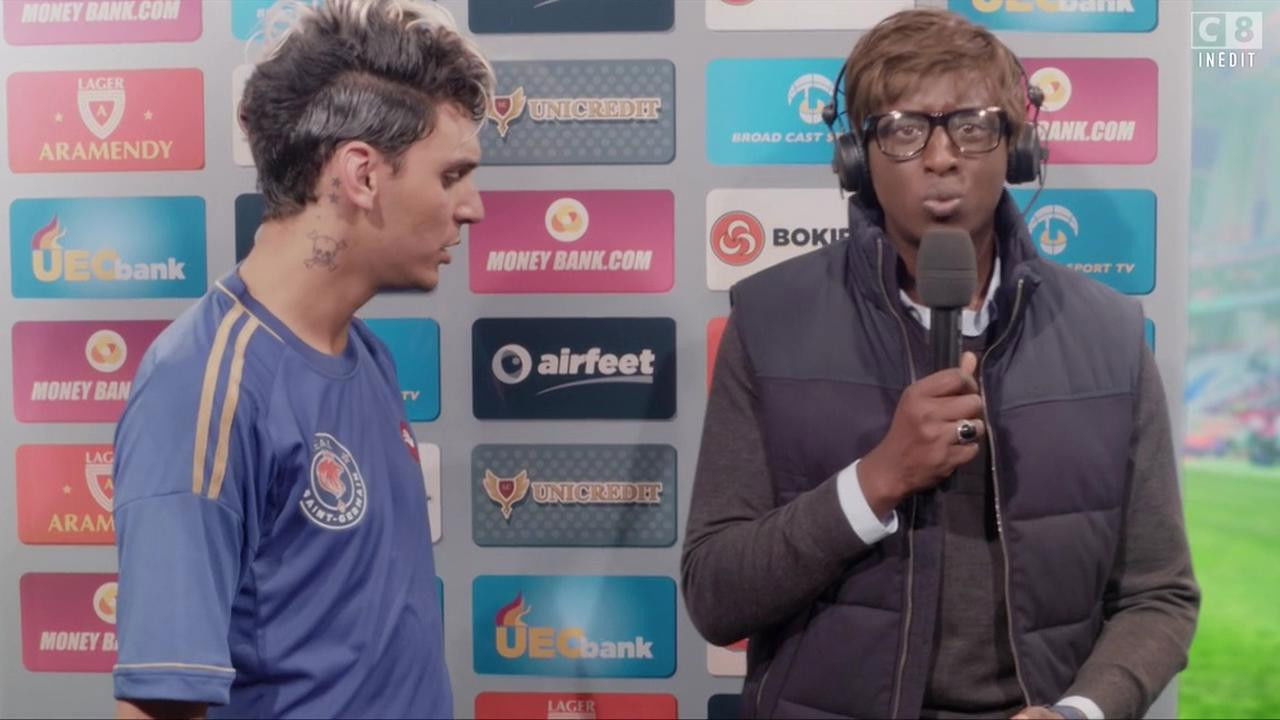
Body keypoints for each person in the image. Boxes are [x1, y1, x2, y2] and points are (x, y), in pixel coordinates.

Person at [682, 9, 1199, 720]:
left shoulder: (1108, 335)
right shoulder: (769, 321)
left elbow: (1158, 595)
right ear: (858, 159)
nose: (942, 157)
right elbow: (716, 595)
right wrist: (877, 480)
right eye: (904, 130)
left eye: (973, 126)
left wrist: (1082, 711)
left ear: (1016, 149)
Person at [111, 1, 490, 717]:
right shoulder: (198, 386)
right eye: (450, 177)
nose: (472, 208)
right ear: (362, 174)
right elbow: (159, 704)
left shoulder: (368, 355)